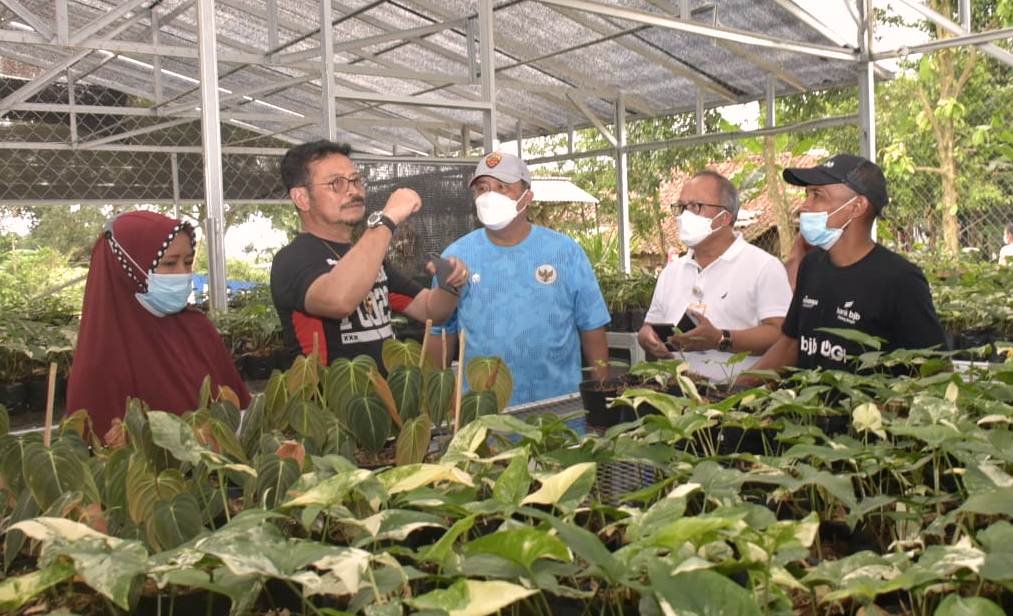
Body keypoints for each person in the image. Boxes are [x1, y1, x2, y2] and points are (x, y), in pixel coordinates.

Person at [425, 152, 610, 405]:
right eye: (483, 188)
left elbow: (592, 328)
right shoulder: (456, 257)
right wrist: (436, 407)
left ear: (527, 197)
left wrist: (604, 400)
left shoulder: (565, 252)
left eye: (502, 187)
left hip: (560, 412)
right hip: (484, 415)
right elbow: (439, 332)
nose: (490, 195)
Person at [270, 140, 467, 368]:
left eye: (355, 180)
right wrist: (387, 218)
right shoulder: (292, 259)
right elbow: (339, 300)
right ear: (302, 198)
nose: (353, 191)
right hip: (331, 400)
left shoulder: (369, 257)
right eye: (337, 183)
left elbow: (430, 309)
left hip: (385, 399)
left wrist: (450, 284)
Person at [745, 154, 946, 378]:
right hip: (807, 411)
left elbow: (936, 370)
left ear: (857, 206)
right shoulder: (811, 266)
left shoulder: (900, 279)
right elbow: (792, 344)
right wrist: (735, 389)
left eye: (817, 195)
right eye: (807, 194)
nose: (805, 205)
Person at [66, 211, 250, 439]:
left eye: (188, 262)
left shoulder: (198, 329)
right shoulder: (101, 362)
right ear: (128, 270)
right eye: (169, 263)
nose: (183, 274)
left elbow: (235, 411)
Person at [637, 171, 792, 383]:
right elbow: (649, 326)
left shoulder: (764, 267)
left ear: (725, 217)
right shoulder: (671, 272)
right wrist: (647, 338)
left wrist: (720, 339)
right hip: (676, 396)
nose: (684, 216)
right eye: (681, 207)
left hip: (738, 397)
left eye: (695, 207)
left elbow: (781, 336)